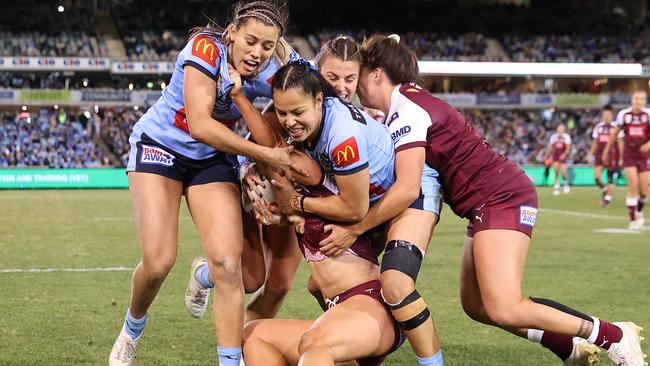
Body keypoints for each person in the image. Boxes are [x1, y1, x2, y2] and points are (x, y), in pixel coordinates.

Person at [333, 34, 646, 366]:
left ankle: (613, 335)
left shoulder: (406, 111)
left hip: (501, 197)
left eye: (358, 75)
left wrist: (357, 228)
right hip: (488, 202)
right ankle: (568, 347)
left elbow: (408, 189)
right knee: (476, 305)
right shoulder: (409, 104)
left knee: (503, 304)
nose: (355, 86)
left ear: (377, 73)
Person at [108, 2, 298, 365]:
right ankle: (132, 329)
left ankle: (229, 359)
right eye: (251, 41)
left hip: (211, 159)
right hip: (161, 147)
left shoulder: (273, 68)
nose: (257, 53)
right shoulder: (204, 49)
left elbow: (304, 85)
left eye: (267, 46)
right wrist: (265, 156)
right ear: (232, 34)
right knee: (159, 261)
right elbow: (200, 124)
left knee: (229, 264)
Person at [238, 59, 403, 365]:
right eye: (282, 113)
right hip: (341, 310)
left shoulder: (318, 169)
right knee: (251, 335)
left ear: (318, 101)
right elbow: (271, 147)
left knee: (314, 345)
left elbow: (274, 148)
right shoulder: (312, 170)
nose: (288, 122)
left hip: (369, 304)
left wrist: (294, 205)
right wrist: (280, 214)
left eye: (296, 113)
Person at [314, 34, 445, 366]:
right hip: (381, 202)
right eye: (333, 78)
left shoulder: (351, 122)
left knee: (396, 281)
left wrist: (353, 228)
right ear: (318, 73)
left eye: (349, 79)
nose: (343, 87)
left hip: (409, 195)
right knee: (319, 285)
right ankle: (369, 348)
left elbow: (407, 188)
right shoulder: (326, 112)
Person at [603, 90, 650, 230]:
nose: (638, 101)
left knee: (644, 190)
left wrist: (648, 145)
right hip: (629, 154)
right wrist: (606, 150)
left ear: (645, 101)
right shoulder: (624, 114)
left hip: (644, 155)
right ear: (632, 100)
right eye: (636, 98)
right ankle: (633, 219)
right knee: (633, 185)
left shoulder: (648, 114)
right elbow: (615, 133)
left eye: (641, 99)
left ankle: (640, 211)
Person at [588, 105, 623, 208]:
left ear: (612, 116)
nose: (606, 117)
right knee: (596, 177)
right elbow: (595, 142)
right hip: (599, 156)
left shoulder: (616, 127)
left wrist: (621, 157)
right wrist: (590, 154)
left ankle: (606, 201)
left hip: (613, 156)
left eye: (608, 115)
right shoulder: (598, 127)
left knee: (610, 179)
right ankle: (604, 190)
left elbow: (620, 143)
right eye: (605, 115)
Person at [548, 124, 572, 196]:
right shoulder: (553, 137)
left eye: (562, 129)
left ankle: (566, 184)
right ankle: (556, 188)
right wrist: (550, 155)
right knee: (556, 172)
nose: (560, 130)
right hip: (555, 156)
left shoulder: (566, 137)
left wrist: (564, 155)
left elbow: (568, 148)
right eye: (559, 129)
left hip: (563, 156)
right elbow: (551, 147)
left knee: (563, 172)